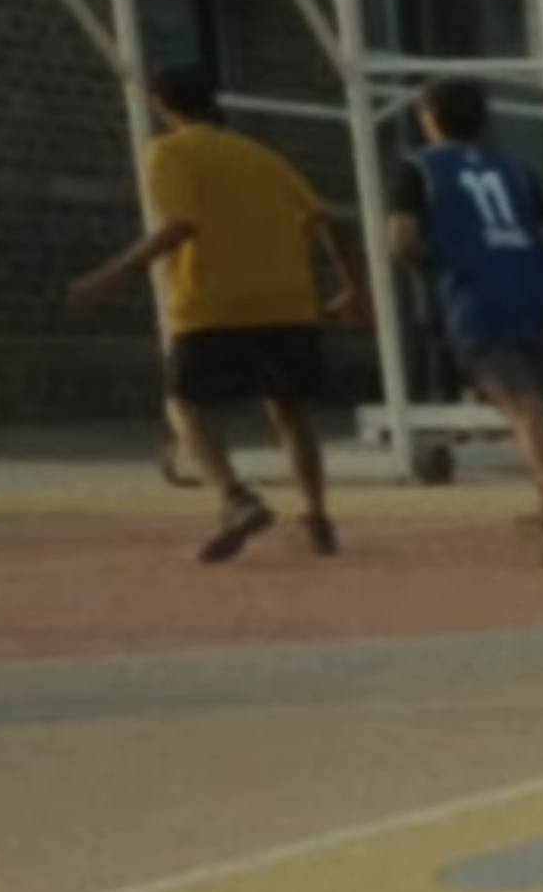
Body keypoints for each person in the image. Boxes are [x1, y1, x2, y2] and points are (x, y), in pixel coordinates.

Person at [68, 66, 367, 563]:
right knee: (290, 410)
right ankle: (317, 517)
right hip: (286, 301)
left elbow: (180, 225)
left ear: (162, 104)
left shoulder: (170, 152)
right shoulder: (264, 157)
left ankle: (235, 497)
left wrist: (105, 277)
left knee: (184, 403)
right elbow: (327, 224)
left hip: (212, 302)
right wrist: (354, 288)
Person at [392, 78, 543, 569]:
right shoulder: (516, 169)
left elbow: (402, 239)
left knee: (524, 409)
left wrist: (440, 261)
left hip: (477, 296)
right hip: (535, 291)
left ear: (429, 117)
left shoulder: (418, 167)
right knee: (530, 404)